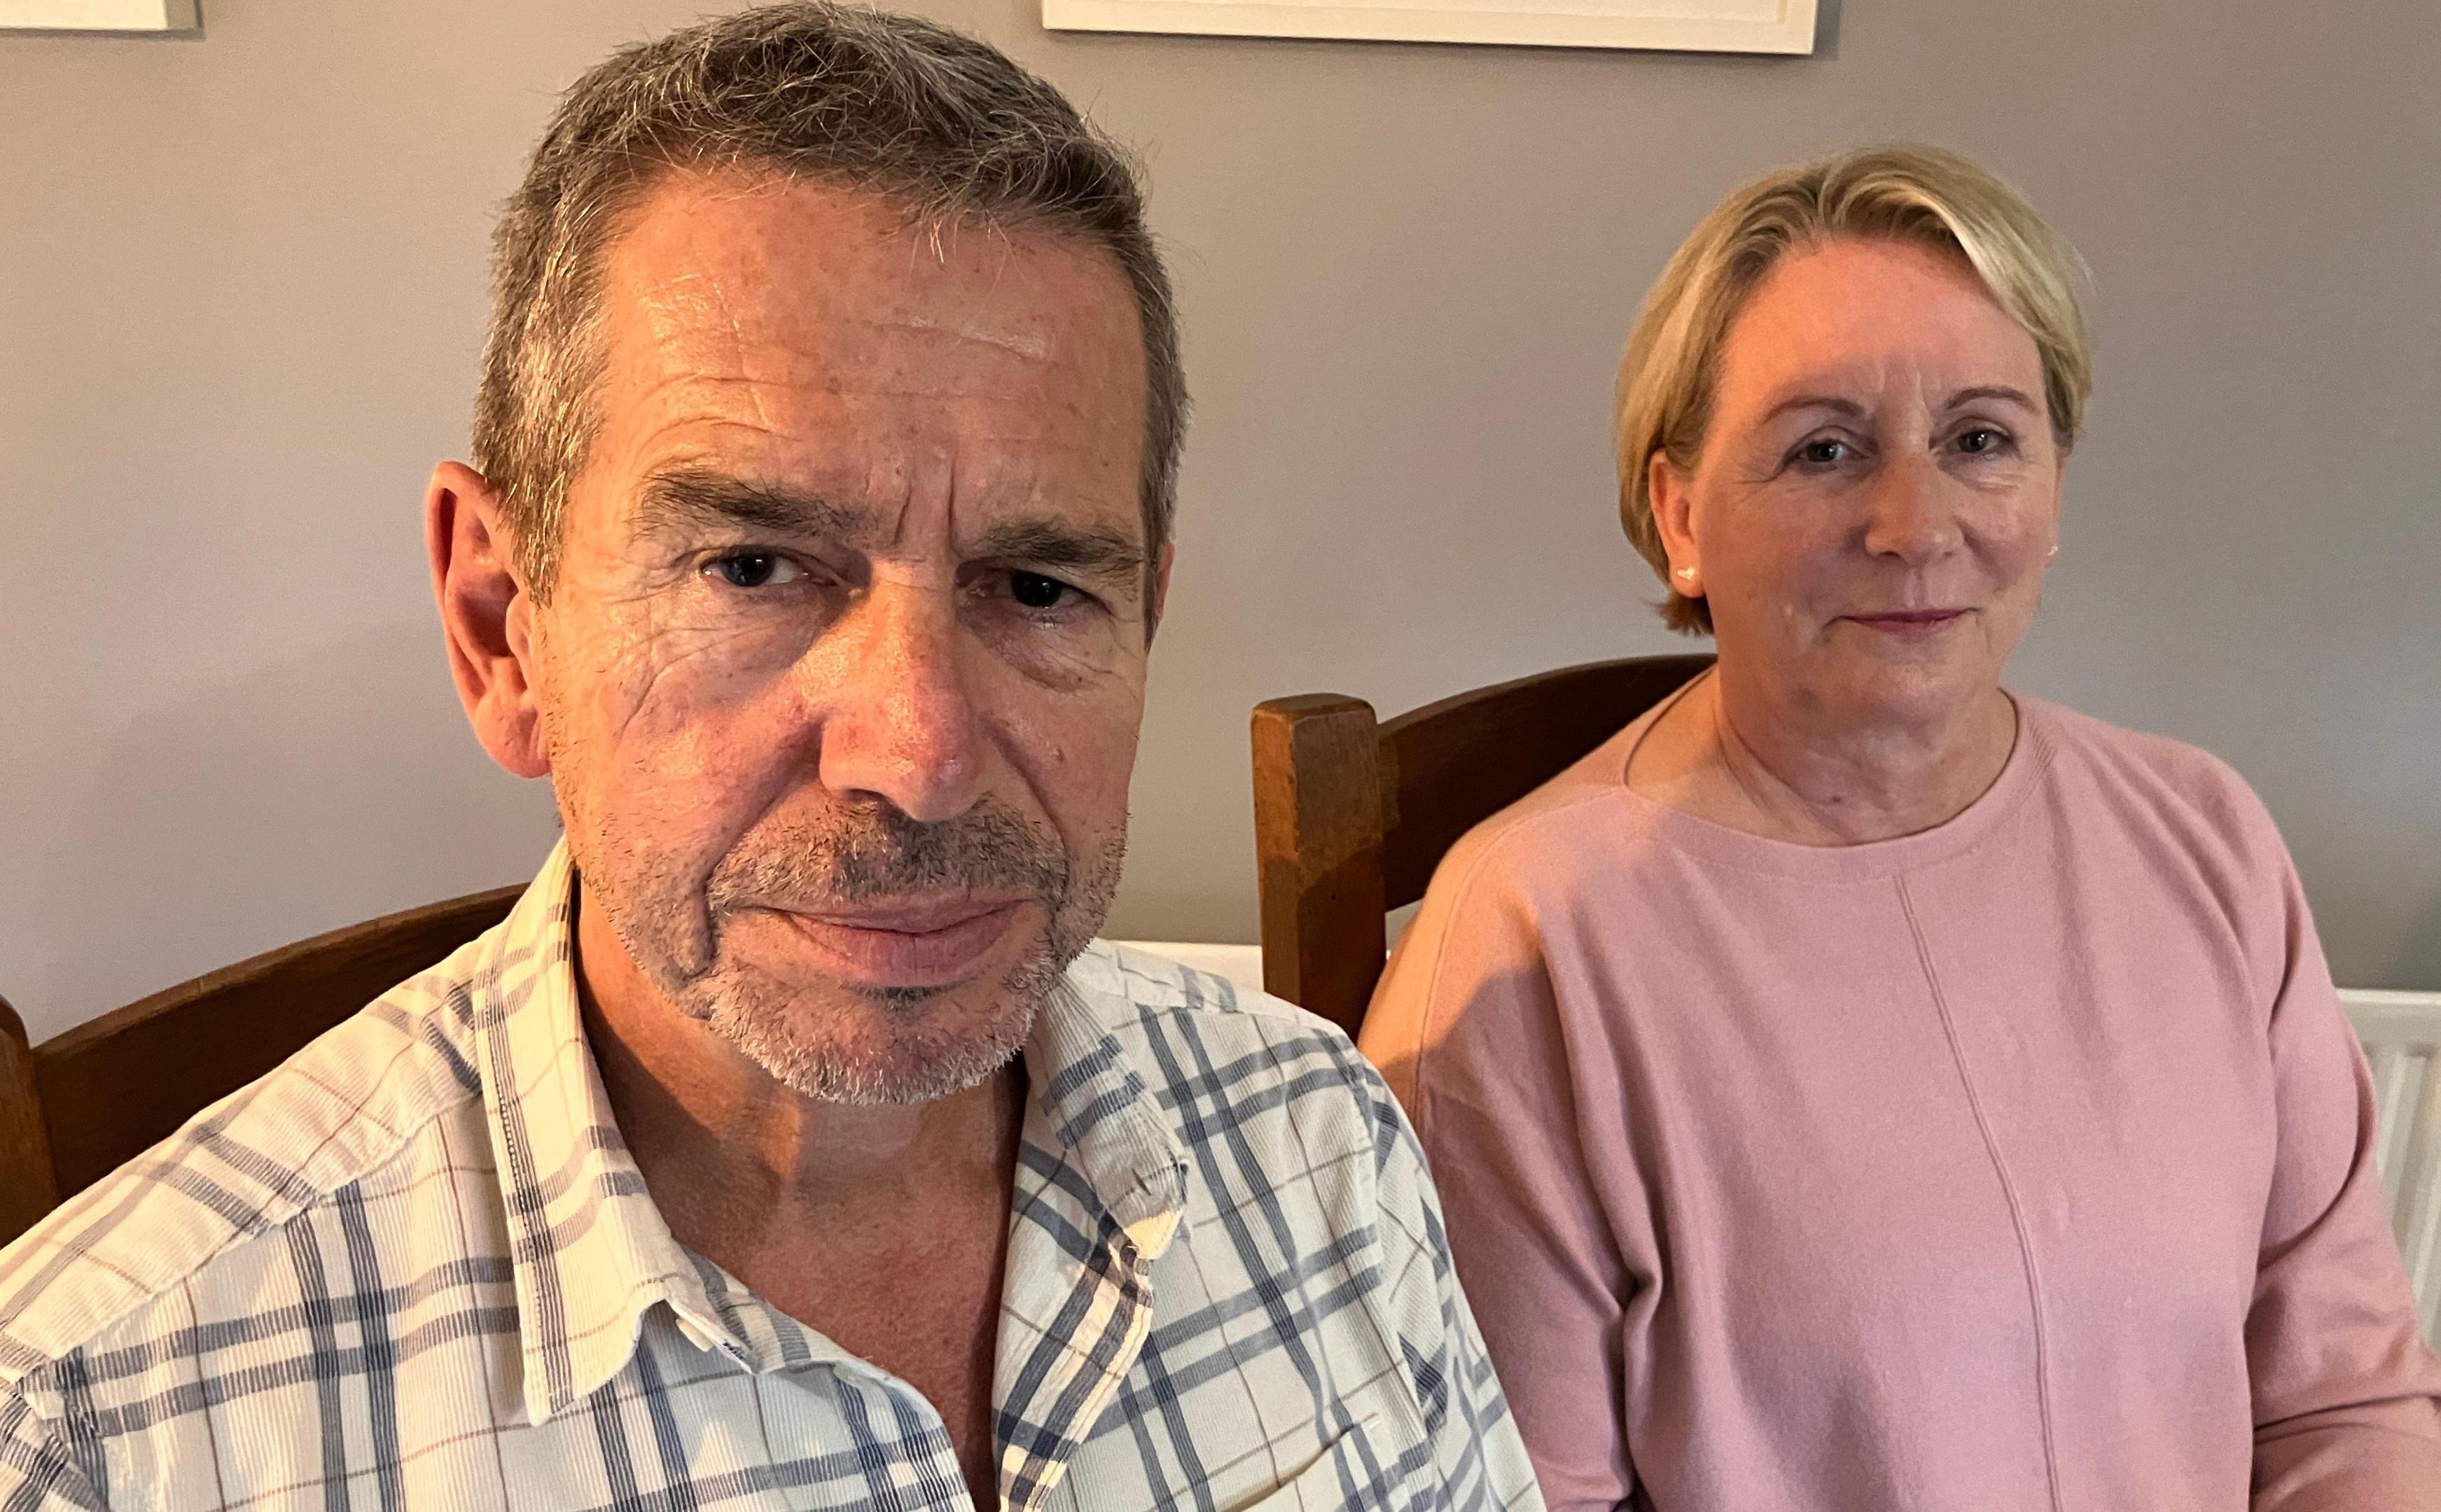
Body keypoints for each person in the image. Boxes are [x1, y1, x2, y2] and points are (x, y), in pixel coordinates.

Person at [0, 8, 1541, 1510]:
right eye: (752, 568)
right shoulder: (101, 1430)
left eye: (1038, 586)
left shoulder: (1315, 1134)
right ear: (501, 627)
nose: (923, 758)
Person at [1359, 144, 2441, 1512]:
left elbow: (2347, 1396)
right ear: (1681, 514)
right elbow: (1501, 1501)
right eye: (1825, 449)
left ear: (2053, 486)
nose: (1915, 524)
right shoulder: (1527, 948)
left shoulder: (2205, 839)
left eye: (1981, 439)